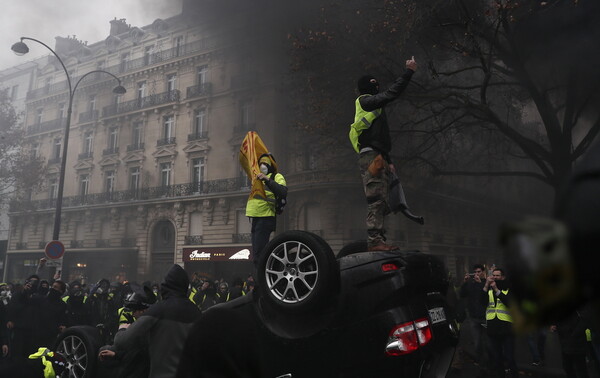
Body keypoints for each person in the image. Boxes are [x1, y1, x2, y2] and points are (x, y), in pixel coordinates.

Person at [350, 56, 421, 252]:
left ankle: (378, 238)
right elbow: (391, 94)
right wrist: (408, 72)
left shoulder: (374, 108)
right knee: (376, 198)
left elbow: (377, 137)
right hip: (371, 157)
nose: (377, 88)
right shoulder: (365, 102)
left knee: (382, 198)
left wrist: (388, 160)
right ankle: (375, 241)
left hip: (377, 156)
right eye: (373, 85)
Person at [108, 264, 200, 377]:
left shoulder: (158, 310)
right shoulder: (196, 312)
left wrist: (122, 330)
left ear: (165, 286)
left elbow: (124, 341)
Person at [245, 153, 287, 266]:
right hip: (256, 218)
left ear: (270, 166)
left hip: (266, 217)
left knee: (260, 255)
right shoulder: (257, 179)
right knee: (257, 256)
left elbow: (283, 191)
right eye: (261, 163)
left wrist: (267, 179)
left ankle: (263, 281)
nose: (262, 165)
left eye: (265, 163)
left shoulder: (276, 176)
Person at [481, 268, 517, 378]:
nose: (495, 277)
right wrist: (486, 285)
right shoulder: (489, 290)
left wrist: (497, 289)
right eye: (494, 275)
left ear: (503, 277)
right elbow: (481, 302)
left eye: (498, 275)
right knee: (497, 358)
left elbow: (509, 303)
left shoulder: (509, 289)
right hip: (493, 329)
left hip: (506, 329)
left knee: (509, 358)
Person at [458, 264, 488, 368]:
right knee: (477, 343)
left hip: (485, 317)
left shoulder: (487, 283)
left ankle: (491, 362)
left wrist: (480, 284)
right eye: (475, 272)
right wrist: (465, 283)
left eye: (479, 272)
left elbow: (486, 297)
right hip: (473, 317)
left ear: (483, 272)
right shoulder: (470, 283)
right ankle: (481, 363)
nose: (476, 274)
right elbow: (462, 295)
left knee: (488, 342)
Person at [551, 308, 591, 378]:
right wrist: (556, 326)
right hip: (565, 343)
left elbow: (585, 319)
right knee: (567, 368)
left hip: (576, 343)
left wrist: (573, 334)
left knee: (581, 370)